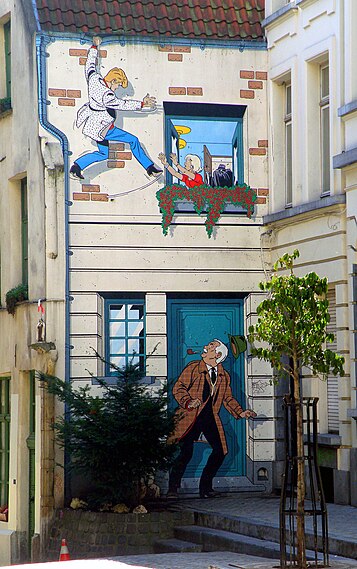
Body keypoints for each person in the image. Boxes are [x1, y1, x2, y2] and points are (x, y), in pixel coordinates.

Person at [167, 339, 256, 499]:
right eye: (208, 345)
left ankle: (205, 488)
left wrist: (240, 412)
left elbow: (227, 398)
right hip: (190, 417)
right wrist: (188, 401)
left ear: (218, 354)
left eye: (210, 347)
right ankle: (172, 488)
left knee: (220, 451)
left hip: (209, 418)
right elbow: (178, 387)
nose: (205, 347)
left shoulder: (223, 376)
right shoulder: (193, 368)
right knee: (186, 453)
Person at [70, 36, 162, 180]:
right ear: (113, 81)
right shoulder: (106, 95)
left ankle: (76, 167)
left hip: (95, 125)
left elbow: (90, 65)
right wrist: (142, 104)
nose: (117, 88)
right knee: (133, 140)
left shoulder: (95, 78)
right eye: (118, 84)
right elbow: (123, 104)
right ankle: (150, 168)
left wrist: (94, 47)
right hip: (103, 128)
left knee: (103, 154)